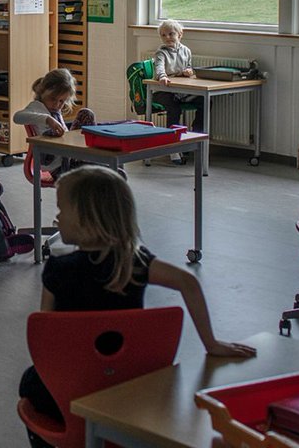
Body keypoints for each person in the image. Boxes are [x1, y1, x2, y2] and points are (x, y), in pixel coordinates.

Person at [18, 167, 255, 443]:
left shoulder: (56, 270)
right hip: (133, 386)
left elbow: (46, 337)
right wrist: (211, 343)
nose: (57, 217)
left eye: (61, 209)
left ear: (86, 218)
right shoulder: (136, 263)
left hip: (71, 389)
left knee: (29, 383)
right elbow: (188, 282)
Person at [13, 68, 96, 178]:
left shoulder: (55, 110)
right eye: (53, 99)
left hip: (70, 157)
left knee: (86, 114)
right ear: (42, 91)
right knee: (111, 172)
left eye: (62, 101)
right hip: (59, 167)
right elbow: (17, 117)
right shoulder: (37, 107)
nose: (57, 105)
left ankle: (90, 156)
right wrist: (47, 119)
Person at [152, 19, 202, 164]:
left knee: (204, 100)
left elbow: (189, 68)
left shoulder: (186, 51)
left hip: (181, 91)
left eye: (171, 34)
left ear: (180, 34)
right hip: (163, 91)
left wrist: (188, 71)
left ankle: (194, 135)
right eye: (163, 35)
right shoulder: (161, 52)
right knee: (174, 108)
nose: (167, 37)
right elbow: (159, 67)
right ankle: (173, 148)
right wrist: (162, 76)